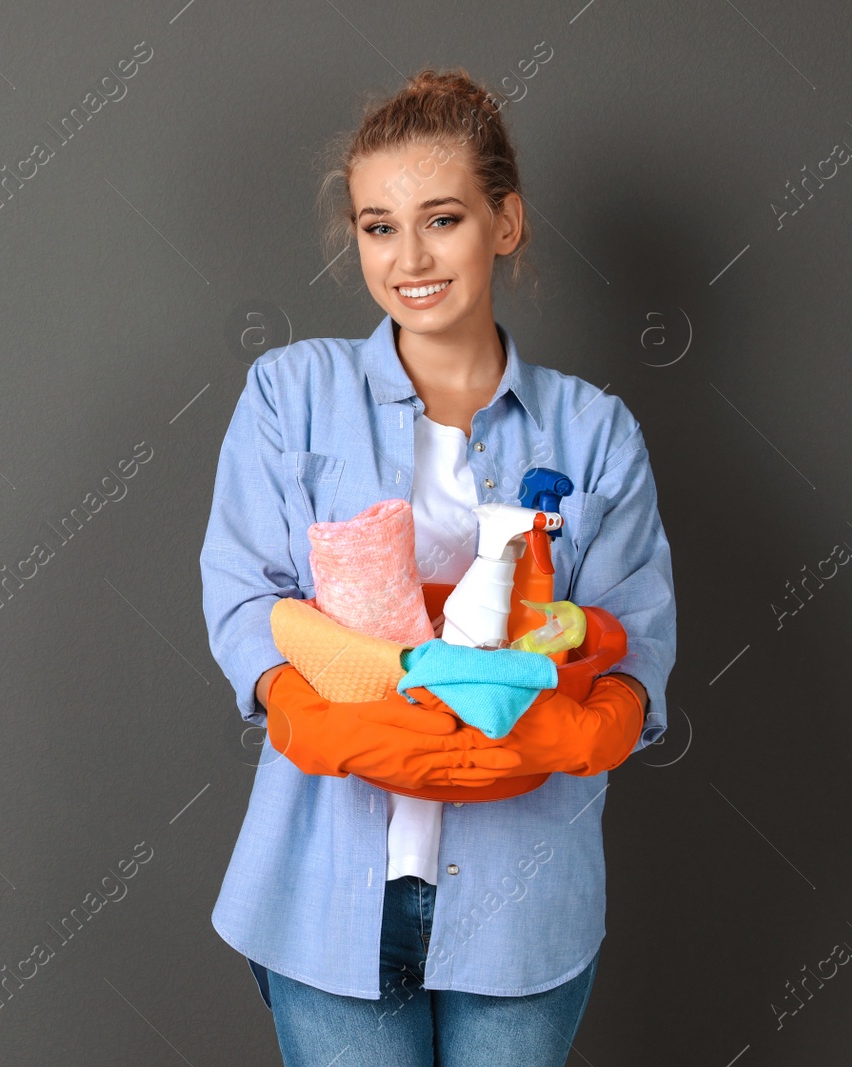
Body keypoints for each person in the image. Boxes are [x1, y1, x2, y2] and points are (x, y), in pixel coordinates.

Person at [198, 68, 678, 1065]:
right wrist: (311, 708)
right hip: (324, 888)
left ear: (505, 223)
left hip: (523, 900)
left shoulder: (592, 432)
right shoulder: (290, 395)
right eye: (378, 226)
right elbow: (246, 593)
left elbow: (637, 638)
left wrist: (581, 724)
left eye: (442, 218)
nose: (407, 258)